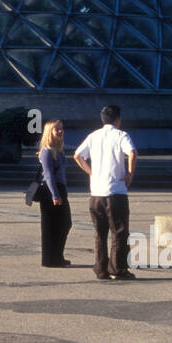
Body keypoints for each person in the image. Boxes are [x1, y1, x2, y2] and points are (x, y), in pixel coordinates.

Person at [74, 105, 138, 280]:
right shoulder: (121, 135)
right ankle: (117, 269)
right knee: (119, 232)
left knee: (99, 233)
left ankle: (100, 268)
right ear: (118, 119)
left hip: (96, 193)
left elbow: (77, 155)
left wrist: (91, 172)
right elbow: (131, 152)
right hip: (115, 192)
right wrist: (129, 174)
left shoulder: (93, 136)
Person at [37, 119, 72, 267]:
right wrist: (55, 195)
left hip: (59, 189)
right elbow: (49, 174)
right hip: (51, 190)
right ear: (49, 132)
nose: (60, 131)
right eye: (56, 129)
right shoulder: (47, 150)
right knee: (53, 225)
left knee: (63, 224)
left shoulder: (58, 149)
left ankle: (57, 256)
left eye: (61, 128)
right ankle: (51, 259)